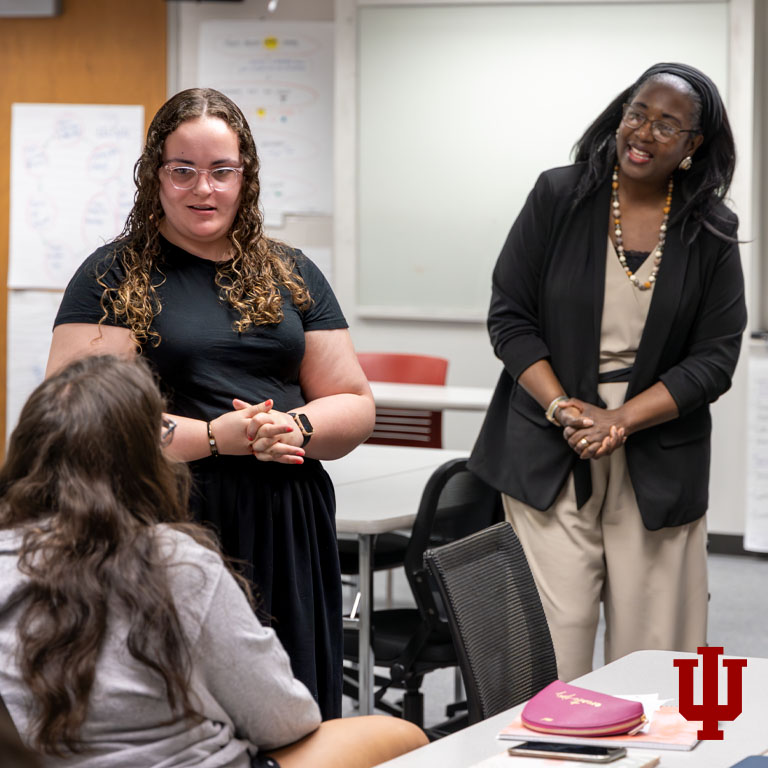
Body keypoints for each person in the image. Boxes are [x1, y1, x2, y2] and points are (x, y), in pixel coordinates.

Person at [45, 88, 375, 718]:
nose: (205, 188)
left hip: (286, 515)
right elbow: (78, 415)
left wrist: (293, 426)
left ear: (244, 176)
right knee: (188, 704)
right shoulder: (114, 273)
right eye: (184, 170)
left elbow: (354, 402)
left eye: (222, 171)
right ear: (155, 175)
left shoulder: (290, 271)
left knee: (296, 703)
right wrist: (216, 438)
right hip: (168, 518)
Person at [0, 355, 427, 768]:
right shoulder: (175, 564)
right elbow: (285, 720)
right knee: (405, 737)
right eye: (165, 430)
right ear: (143, 460)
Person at [468, 63, 747, 682]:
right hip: (551, 442)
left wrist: (620, 419)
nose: (643, 132)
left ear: (693, 145)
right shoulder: (558, 197)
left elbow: (715, 358)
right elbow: (510, 318)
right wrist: (564, 407)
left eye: (668, 124)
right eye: (637, 113)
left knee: (655, 666)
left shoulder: (711, 232)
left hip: (658, 453)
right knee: (547, 661)